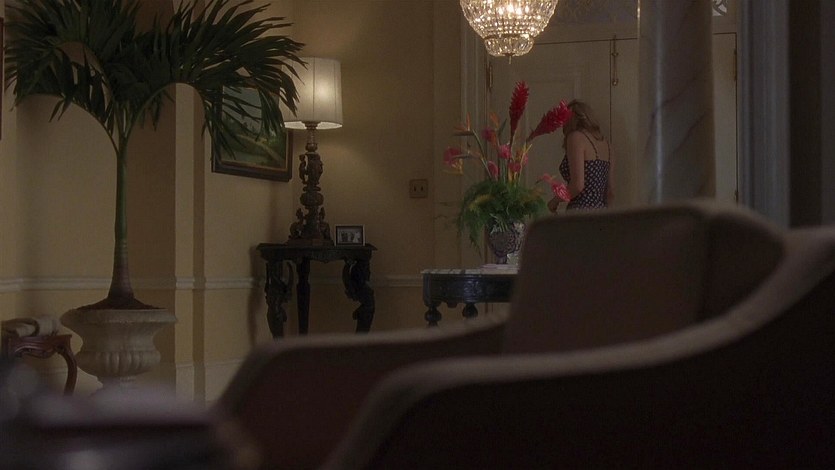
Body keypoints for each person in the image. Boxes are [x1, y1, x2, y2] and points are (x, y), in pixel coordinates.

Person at [548, 100, 613, 212]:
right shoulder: (607, 145)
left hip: (580, 211)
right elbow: (610, 191)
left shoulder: (576, 137)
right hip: (602, 213)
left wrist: (555, 201)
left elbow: (577, 186)